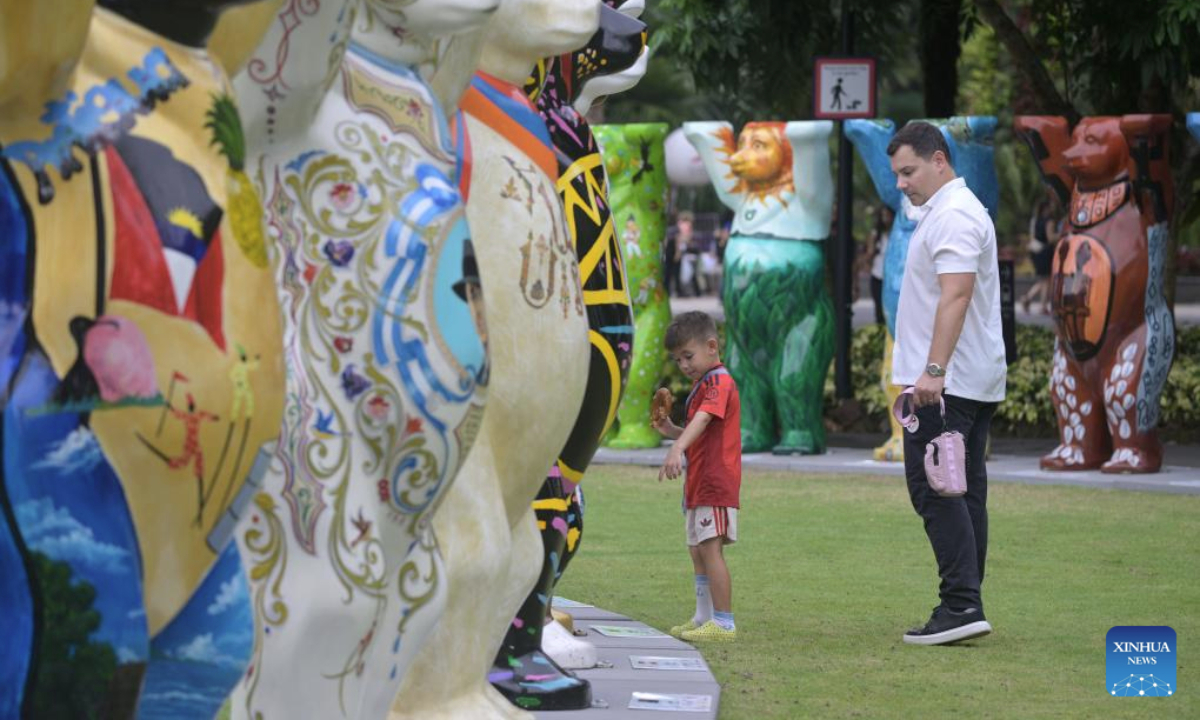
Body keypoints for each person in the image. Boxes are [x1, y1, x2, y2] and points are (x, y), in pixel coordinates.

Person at [886, 122, 1006, 646]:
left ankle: (960, 604)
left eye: (908, 171)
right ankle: (966, 602)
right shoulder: (948, 211)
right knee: (962, 491)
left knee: (934, 488)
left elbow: (955, 294)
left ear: (940, 160)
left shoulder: (955, 214)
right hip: (966, 378)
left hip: (948, 382)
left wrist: (933, 371)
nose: (901, 183)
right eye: (896, 174)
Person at [653, 311, 742, 642]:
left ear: (711, 346)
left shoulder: (719, 381)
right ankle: (703, 616)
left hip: (715, 481)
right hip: (698, 481)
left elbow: (704, 420)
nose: (684, 365)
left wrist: (677, 447)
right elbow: (698, 430)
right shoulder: (702, 384)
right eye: (678, 360)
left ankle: (723, 622)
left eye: (688, 356)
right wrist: (671, 431)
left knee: (710, 548)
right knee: (697, 549)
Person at [1019, 189, 1063, 314]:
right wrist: (1062, 234)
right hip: (1045, 252)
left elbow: (1033, 236)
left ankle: (1029, 299)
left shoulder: (1036, 220)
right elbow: (1050, 238)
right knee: (1046, 279)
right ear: (1046, 208)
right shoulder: (1049, 221)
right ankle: (1040, 304)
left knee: (1044, 279)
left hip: (1036, 251)